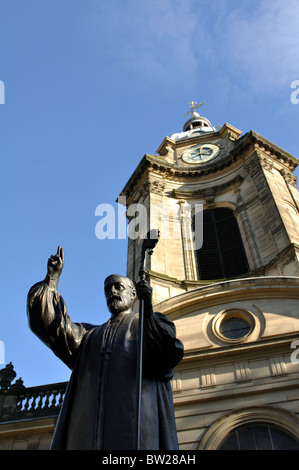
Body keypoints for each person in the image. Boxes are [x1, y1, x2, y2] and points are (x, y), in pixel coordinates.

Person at [27, 246, 184, 450]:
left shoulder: (150, 325)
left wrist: (149, 308)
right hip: (86, 429)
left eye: (118, 287)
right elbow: (52, 327)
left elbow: (166, 354)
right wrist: (52, 280)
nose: (112, 292)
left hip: (135, 425)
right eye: (108, 289)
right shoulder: (88, 336)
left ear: (133, 294)